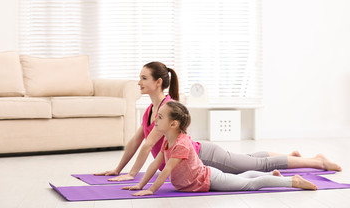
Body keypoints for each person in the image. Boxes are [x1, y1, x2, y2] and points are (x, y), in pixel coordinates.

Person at [95, 61, 341, 181]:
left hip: (203, 156)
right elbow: (136, 141)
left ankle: (318, 162)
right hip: (199, 155)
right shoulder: (150, 108)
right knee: (252, 159)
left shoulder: (167, 107)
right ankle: (293, 155)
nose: (138, 82)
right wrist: (119, 168)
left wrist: (132, 174)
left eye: (143, 78)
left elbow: (149, 145)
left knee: (260, 165)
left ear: (158, 82)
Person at [122, 101, 318, 196]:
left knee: (250, 185)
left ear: (174, 124)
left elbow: (166, 170)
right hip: (205, 177)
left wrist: (151, 190)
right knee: (241, 178)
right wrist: (141, 185)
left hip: (207, 179)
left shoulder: (182, 143)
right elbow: (156, 164)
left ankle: (293, 182)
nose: (155, 119)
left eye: (161, 117)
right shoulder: (167, 140)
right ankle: (275, 176)